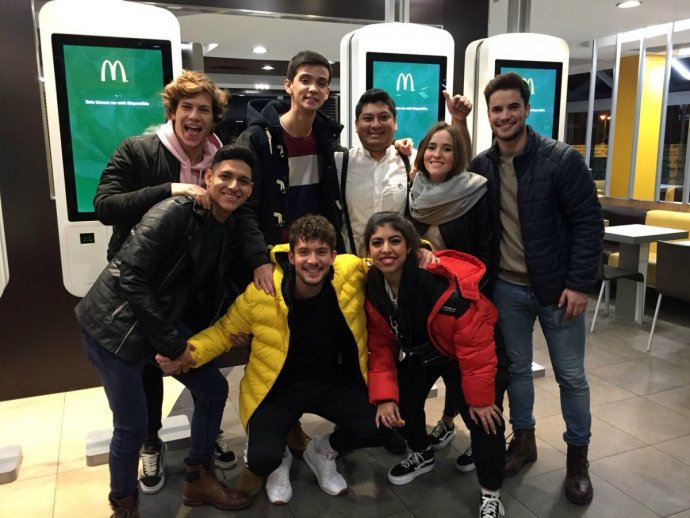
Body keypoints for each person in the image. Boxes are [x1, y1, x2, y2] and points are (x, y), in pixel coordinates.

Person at [94, 70, 268, 494]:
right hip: (144, 284)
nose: (195, 116)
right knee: (147, 372)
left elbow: (242, 217)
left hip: (193, 286)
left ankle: (205, 439)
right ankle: (150, 441)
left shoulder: (221, 158)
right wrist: (172, 189)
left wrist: (259, 261)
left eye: (203, 109)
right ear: (172, 111)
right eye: (186, 107)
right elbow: (105, 205)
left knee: (200, 370)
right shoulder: (138, 150)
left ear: (213, 117)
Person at [158, 215, 391, 506]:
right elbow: (223, 332)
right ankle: (279, 459)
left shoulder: (350, 271)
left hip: (331, 383)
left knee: (381, 426)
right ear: (291, 256)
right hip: (276, 389)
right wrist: (185, 352)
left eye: (321, 252)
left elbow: (389, 257)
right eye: (304, 252)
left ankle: (322, 451)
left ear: (333, 255)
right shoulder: (263, 291)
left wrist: (422, 251)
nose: (313, 261)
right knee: (262, 458)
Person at [76, 145, 258, 516]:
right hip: (114, 326)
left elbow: (212, 288)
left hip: (158, 318)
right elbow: (131, 275)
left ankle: (198, 479)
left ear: (250, 189)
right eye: (225, 176)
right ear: (207, 177)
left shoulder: (228, 226)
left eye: (243, 181)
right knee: (132, 425)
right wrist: (173, 346)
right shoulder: (175, 211)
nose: (233, 186)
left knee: (212, 389)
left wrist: (234, 327)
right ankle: (124, 505)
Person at [469, 72, 603, 505]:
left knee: (571, 377)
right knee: (517, 371)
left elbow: (588, 225)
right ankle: (524, 441)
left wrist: (579, 284)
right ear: (489, 115)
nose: (504, 115)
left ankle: (577, 459)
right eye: (497, 109)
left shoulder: (561, 160)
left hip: (559, 292)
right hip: (507, 290)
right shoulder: (482, 167)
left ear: (527, 109)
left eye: (513, 106)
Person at [234, 49, 343, 460]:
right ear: (288, 85)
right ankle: (268, 429)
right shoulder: (258, 138)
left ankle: (291, 422)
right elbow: (243, 207)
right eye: (305, 80)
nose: (313, 88)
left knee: (304, 343)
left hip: (312, 260)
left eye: (321, 82)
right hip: (273, 259)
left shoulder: (326, 137)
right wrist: (258, 260)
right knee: (269, 346)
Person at [363, 212, 506, 518]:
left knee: (485, 419)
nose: (386, 249)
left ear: (410, 247)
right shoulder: (374, 287)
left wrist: (481, 400)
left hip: (471, 350)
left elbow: (475, 346)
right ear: (368, 250)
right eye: (377, 242)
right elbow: (381, 345)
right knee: (400, 402)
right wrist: (385, 397)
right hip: (425, 352)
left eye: (394, 241)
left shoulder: (437, 282)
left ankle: (491, 493)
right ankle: (422, 453)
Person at [408, 119, 494, 469]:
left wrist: (470, 298)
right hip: (425, 302)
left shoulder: (475, 190)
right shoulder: (414, 191)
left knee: (466, 376)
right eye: (432, 147)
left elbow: (487, 249)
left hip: (464, 300)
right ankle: (442, 426)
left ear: (458, 155)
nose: (437, 154)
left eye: (447, 148)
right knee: (431, 371)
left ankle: (477, 439)